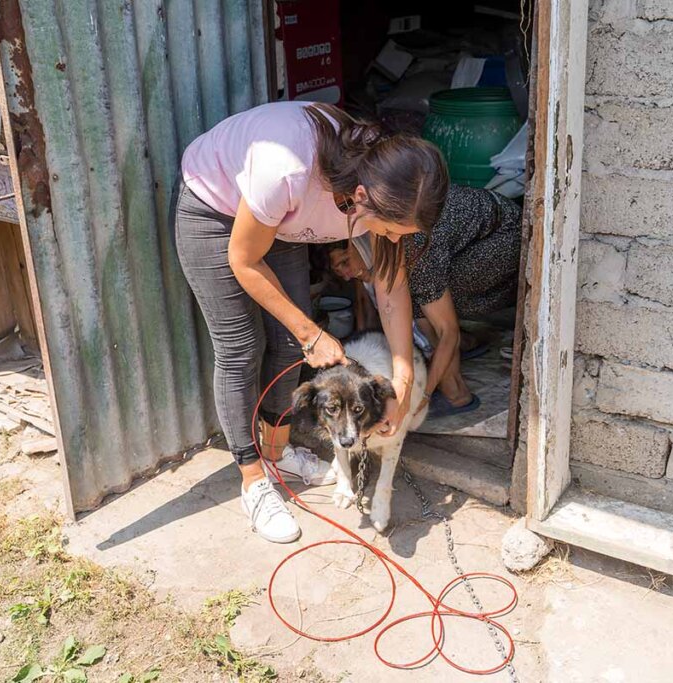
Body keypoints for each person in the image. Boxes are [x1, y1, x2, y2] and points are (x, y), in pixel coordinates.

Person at [172, 100, 448, 543]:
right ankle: (253, 481)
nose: (394, 240)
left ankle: (278, 454)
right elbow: (243, 261)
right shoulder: (288, 172)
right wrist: (310, 332)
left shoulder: (390, 180)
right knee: (242, 348)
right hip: (215, 208)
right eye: (393, 231)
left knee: (286, 348)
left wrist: (402, 382)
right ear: (360, 199)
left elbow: (391, 289)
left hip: (278, 218)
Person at [326, 185, 522, 419]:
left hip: (510, 242)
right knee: (423, 299)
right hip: (484, 236)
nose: (392, 237)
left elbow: (447, 331)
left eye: (346, 263)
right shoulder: (378, 221)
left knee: (425, 302)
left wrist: (422, 396)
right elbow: (367, 299)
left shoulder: (415, 241)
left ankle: (455, 394)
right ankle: (467, 344)